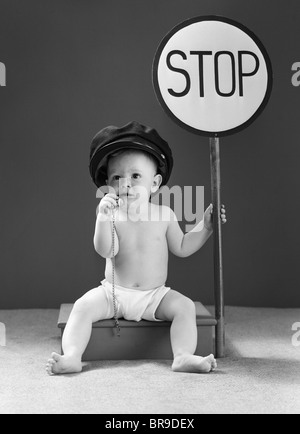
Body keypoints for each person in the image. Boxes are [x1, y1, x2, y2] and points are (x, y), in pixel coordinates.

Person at [46, 121, 226, 376]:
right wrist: (102, 218)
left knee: (184, 307)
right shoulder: (112, 215)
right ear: (108, 184)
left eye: (135, 176)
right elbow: (105, 250)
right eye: (117, 177)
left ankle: (183, 355)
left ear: (154, 183)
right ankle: (73, 356)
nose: (125, 183)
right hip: (113, 294)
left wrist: (206, 226)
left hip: (154, 296)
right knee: (82, 307)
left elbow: (183, 246)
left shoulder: (164, 214)